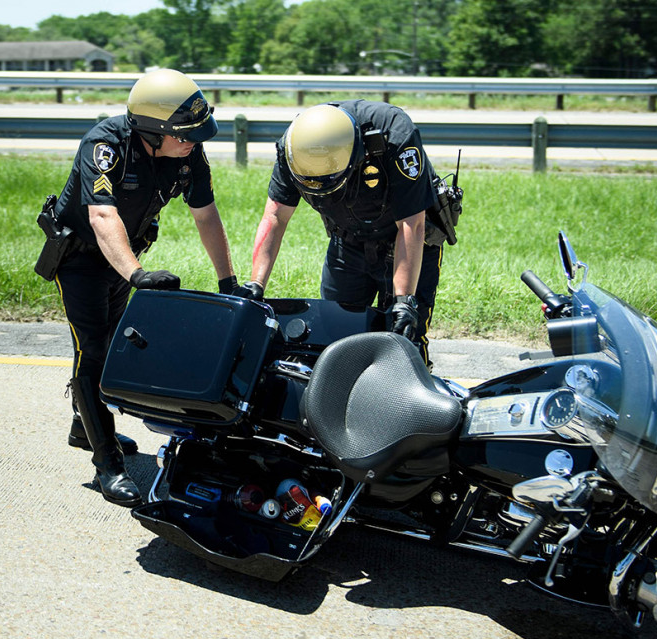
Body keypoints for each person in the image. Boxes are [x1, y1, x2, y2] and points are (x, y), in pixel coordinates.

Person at [48, 69, 247, 507]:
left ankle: (86, 424)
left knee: (117, 345)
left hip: (123, 259)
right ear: (153, 131)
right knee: (93, 350)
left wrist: (228, 281)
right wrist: (137, 275)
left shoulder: (188, 152)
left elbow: (206, 216)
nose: (194, 141)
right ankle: (108, 463)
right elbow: (102, 216)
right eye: (185, 135)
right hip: (81, 259)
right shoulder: (103, 147)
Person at [246, 100, 445, 365]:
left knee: (404, 341)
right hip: (347, 243)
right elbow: (275, 216)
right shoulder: (295, 147)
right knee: (333, 339)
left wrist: (404, 301)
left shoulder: (396, 136)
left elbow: (412, 225)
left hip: (406, 243)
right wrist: (255, 287)